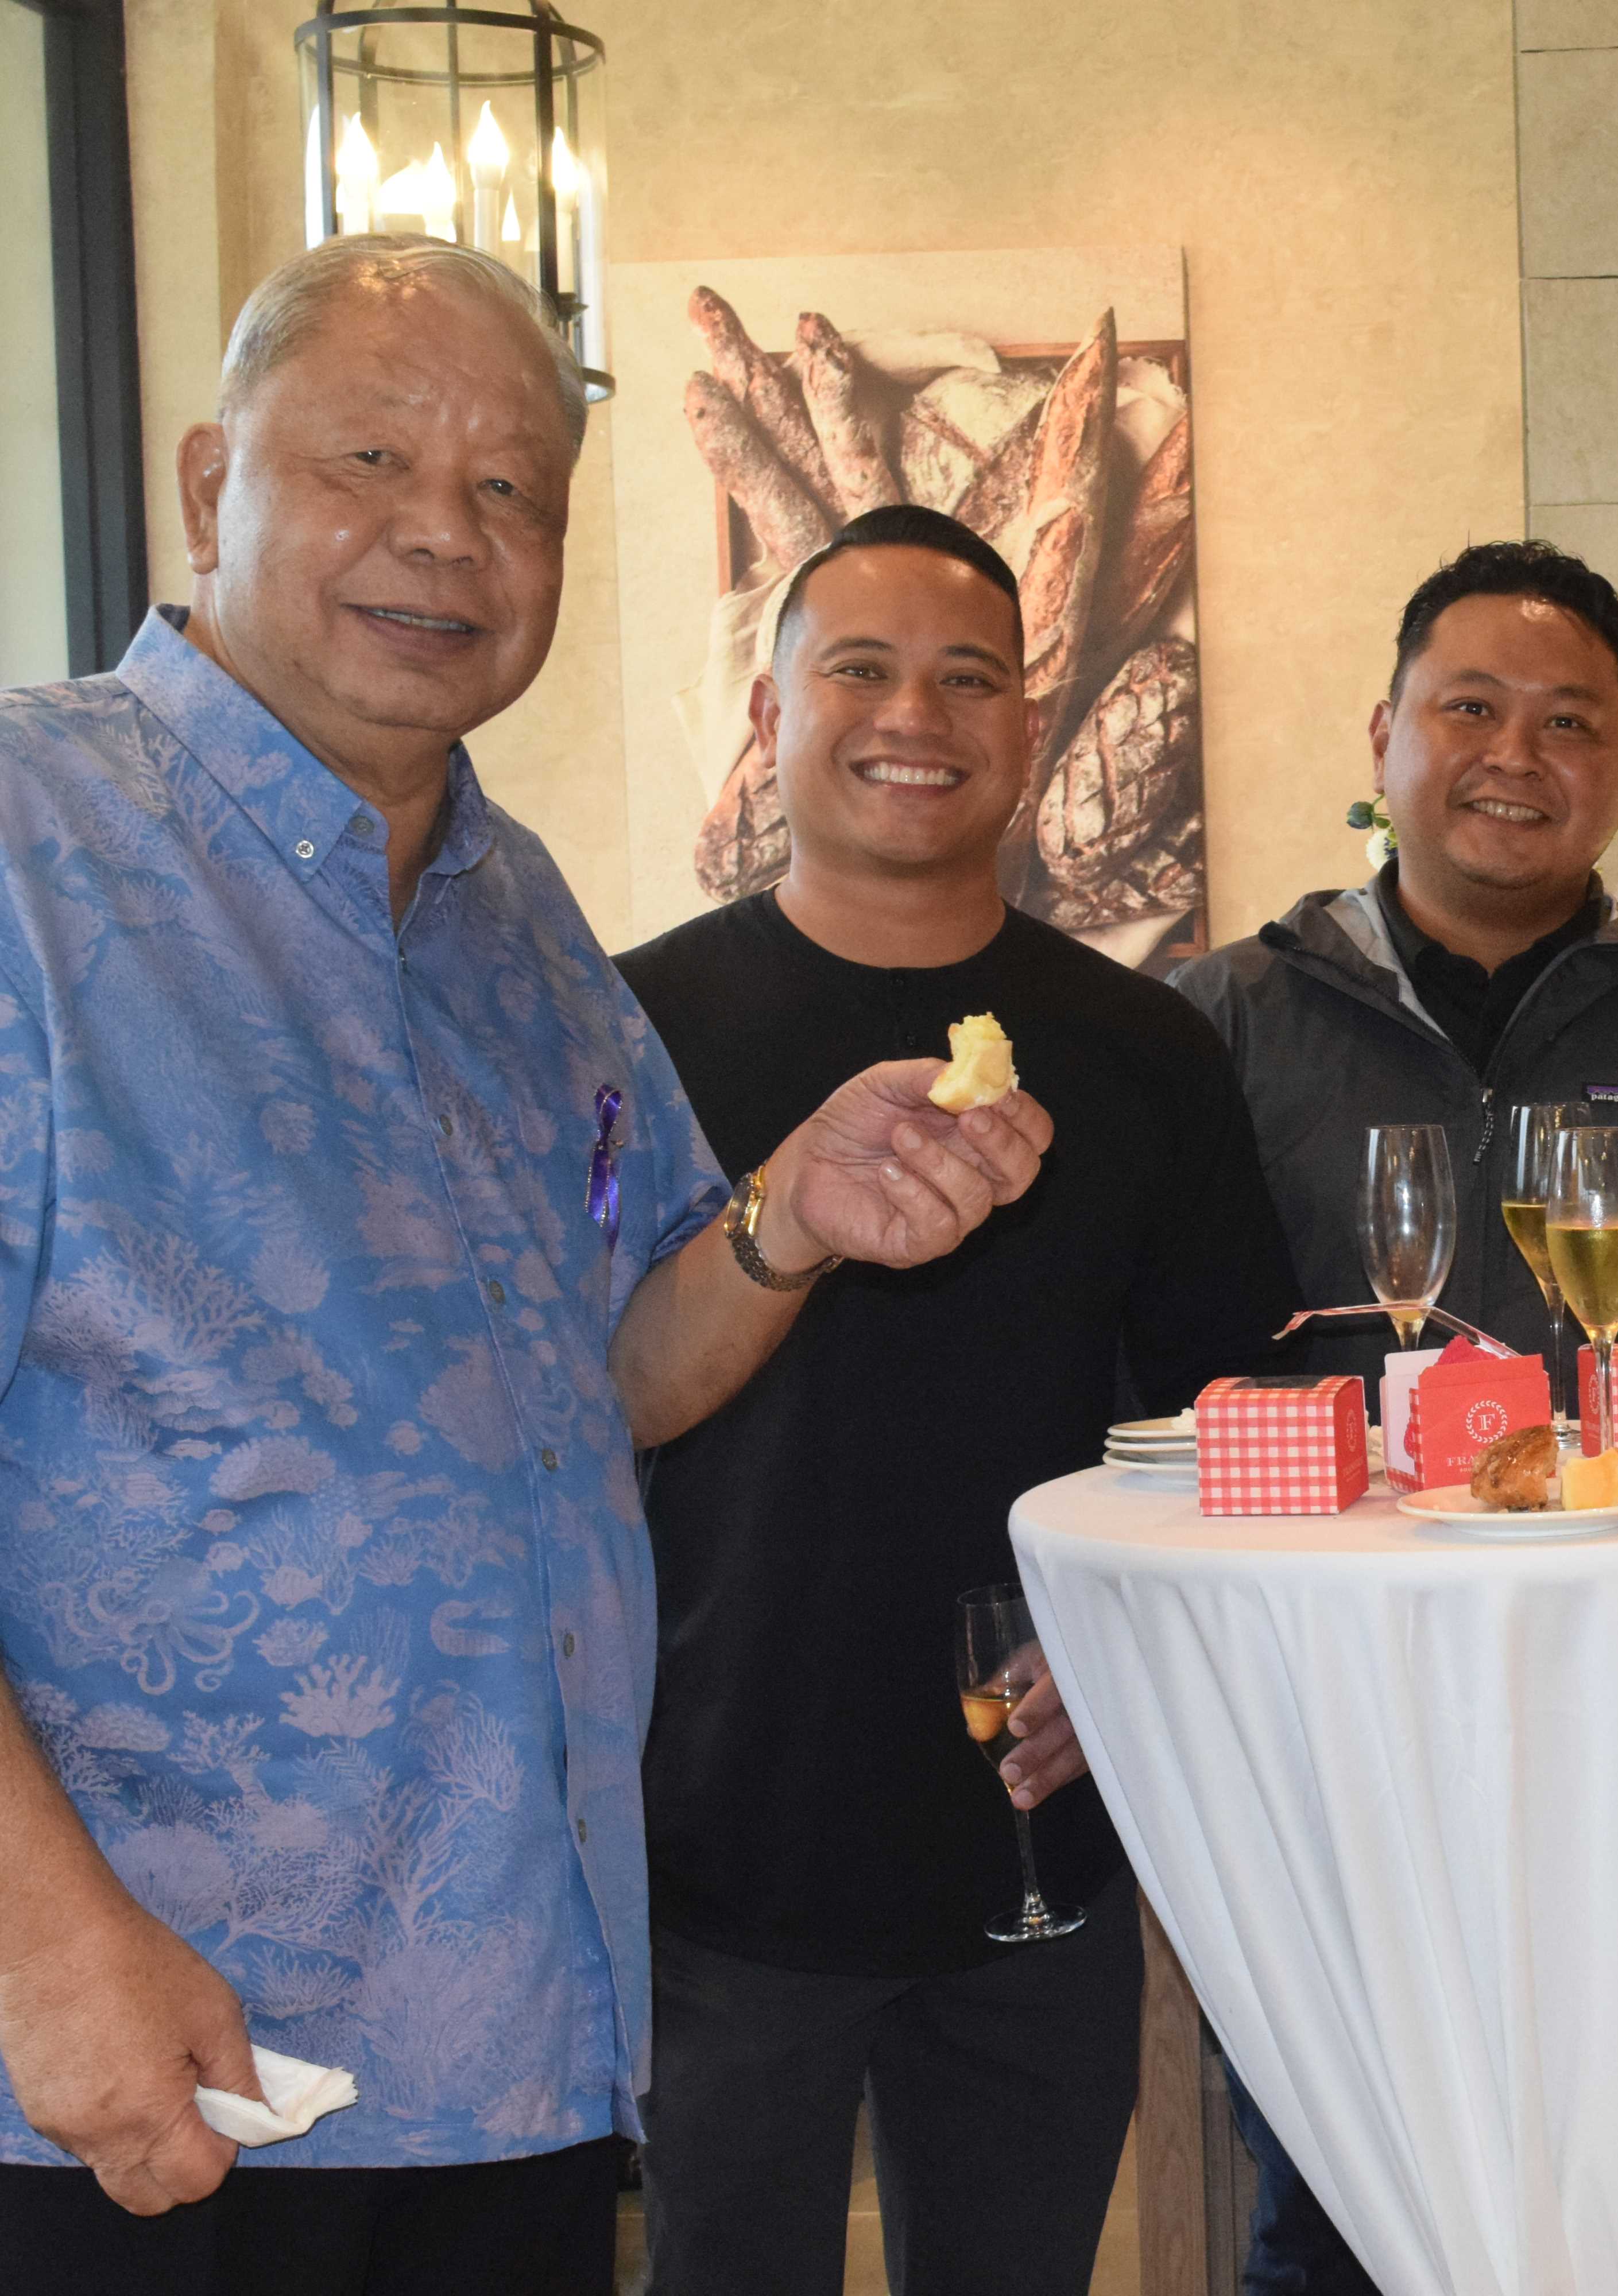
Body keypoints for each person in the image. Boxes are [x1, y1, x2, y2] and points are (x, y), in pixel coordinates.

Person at [0, 238, 1047, 2293]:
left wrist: (787, 1222)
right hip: (145, 2070)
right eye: (373, 457)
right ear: (214, 488)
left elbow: (613, 1375)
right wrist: (48, 1945)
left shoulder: (511, 906)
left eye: (511, 494)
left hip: (513, 2054)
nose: (443, 536)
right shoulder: (32, 846)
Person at [615, 505, 1298, 2295]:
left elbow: (1233, 1414)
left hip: (1036, 1831)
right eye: (859, 667)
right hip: (714, 1824)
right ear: (770, 715)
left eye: (968, 676)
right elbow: (558, 1408)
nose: (914, 711)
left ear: (1028, 722)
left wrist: (1126, 1639)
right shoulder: (636, 1030)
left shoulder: (1148, 1047)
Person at [1169, 538, 1618, 2292]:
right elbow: (1145, 1382)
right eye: (1471, 708)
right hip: (1328, 1755)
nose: (1516, 756)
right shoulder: (1221, 1022)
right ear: (1384, 733)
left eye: (1570, 724)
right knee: (1337, 2206)